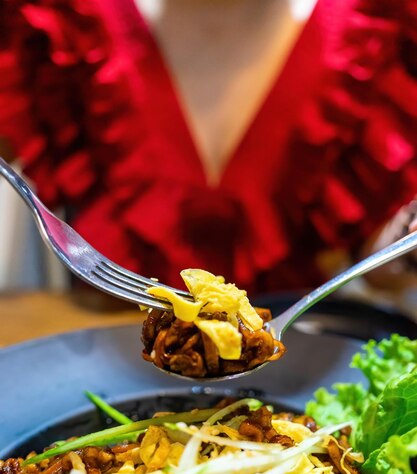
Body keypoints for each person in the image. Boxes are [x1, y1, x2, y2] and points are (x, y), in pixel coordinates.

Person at [0, 0, 417, 296]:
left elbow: (381, 271)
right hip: (101, 372)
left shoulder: (370, 32)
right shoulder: (65, 23)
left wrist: (407, 238)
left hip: (292, 380)